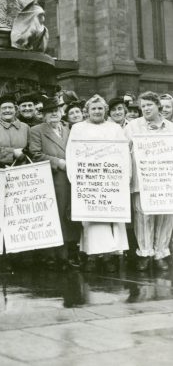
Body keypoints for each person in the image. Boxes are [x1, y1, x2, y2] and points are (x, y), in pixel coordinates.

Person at [66, 94, 129, 273]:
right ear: (87, 111)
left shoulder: (115, 128)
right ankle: (92, 256)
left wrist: (123, 177)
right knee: (91, 221)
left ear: (105, 110)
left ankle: (109, 257)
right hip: (89, 181)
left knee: (110, 220)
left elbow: (123, 154)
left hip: (110, 180)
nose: (97, 111)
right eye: (93, 108)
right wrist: (75, 178)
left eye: (100, 108)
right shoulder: (78, 128)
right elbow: (71, 153)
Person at [29, 97, 81, 269]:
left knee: (69, 215)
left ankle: (67, 254)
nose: (53, 114)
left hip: (70, 179)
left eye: (56, 111)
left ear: (61, 112)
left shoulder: (68, 129)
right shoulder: (37, 130)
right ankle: (53, 256)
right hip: (52, 178)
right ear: (44, 115)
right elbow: (35, 154)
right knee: (54, 216)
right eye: (49, 111)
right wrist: (59, 163)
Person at [125, 91, 173, 271]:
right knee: (143, 216)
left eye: (149, 105)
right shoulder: (133, 126)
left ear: (158, 106)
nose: (145, 109)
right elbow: (123, 149)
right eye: (142, 106)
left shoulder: (170, 127)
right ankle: (145, 253)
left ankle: (161, 252)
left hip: (165, 180)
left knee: (165, 216)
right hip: (141, 180)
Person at [0, 95, 29, 167]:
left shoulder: (25, 127)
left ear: (16, 109)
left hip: (23, 171)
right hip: (0, 170)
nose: (7, 110)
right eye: (4, 108)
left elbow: (31, 148)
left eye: (10, 107)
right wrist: (13, 153)